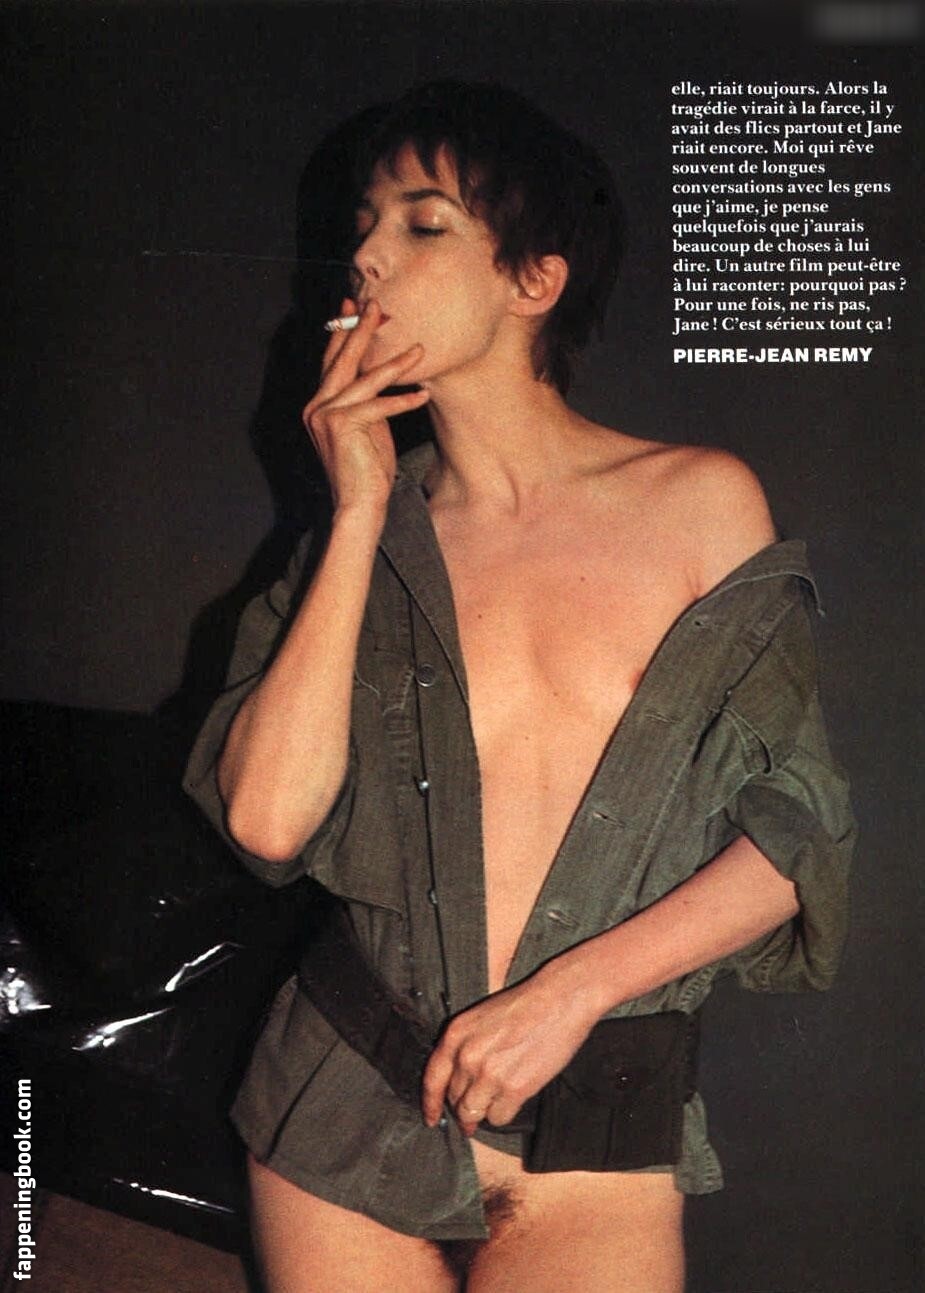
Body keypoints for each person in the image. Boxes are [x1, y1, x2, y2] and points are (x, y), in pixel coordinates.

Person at [185, 81, 854, 1292]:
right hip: (341, 1098)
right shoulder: (359, 540)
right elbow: (267, 821)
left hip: (595, 1121)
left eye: (421, 223)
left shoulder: (700, 501)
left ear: (533, 280)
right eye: (364, 223)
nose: (366, 255)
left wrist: (571, 992)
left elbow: (792, 839)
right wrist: (356, 510)